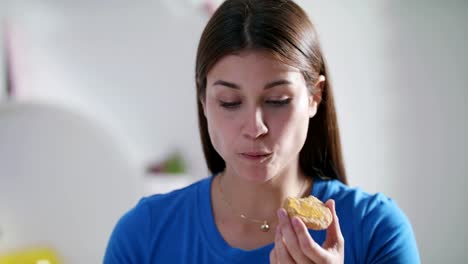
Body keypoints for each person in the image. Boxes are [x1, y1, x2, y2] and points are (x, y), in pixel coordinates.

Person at [104, 0, 420, 263]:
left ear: (314, 97)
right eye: (229, 102)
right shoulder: (142, 234)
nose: (255, 128)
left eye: (277, 100)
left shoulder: (377, 229)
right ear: (203, 100)